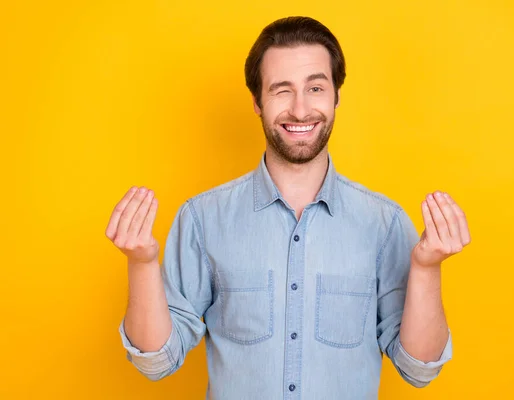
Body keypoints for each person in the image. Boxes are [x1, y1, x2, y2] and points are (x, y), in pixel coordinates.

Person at [106, 16, 471, 399]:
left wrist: (428, 269)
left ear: (336, 96)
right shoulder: (201, 219)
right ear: (257, 102)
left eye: (315, 87)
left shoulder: (385, 224)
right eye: (282, 90)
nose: (300, 110)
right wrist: (141, 264)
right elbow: (157, 362)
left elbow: (418, 367)